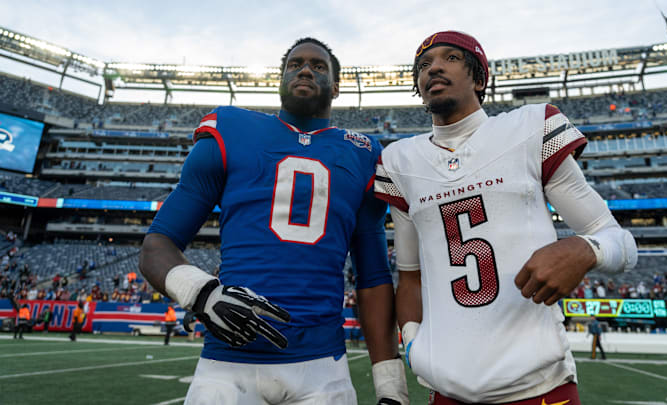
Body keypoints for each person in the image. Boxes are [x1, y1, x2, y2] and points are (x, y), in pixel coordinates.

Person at [139, 37, 407, 405]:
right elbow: (158, 244)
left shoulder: (363, 152)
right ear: (280, 80)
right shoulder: (231, 129)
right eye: (294, 64)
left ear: (337, 86)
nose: (306, 69)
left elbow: (374, 278)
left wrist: (391, 387)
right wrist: (202, 293)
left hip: (322, 366)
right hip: (227, 363)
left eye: (318, 65)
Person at [375, 31, 638, 404]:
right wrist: (414, 342)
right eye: (423, 64)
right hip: (447, 389)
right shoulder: (400, 160)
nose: (433, 67)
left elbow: (620, 241)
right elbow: (410, 276)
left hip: (538, 385)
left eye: (450, 57)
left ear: (480, 78)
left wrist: (585, 249)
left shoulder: (531, 126)